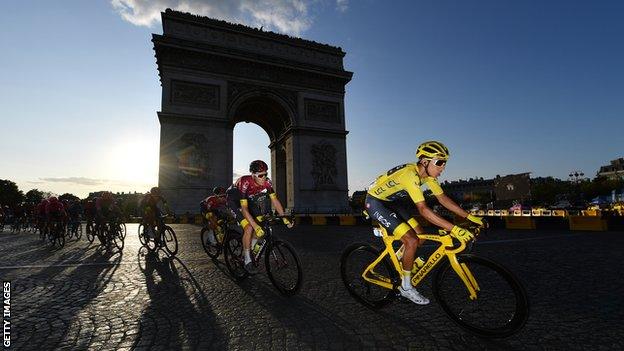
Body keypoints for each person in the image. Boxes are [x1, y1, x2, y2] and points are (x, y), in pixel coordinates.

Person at [365, 141, 486, 305]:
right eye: (440, 162)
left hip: (394, 202)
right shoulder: (409, 175)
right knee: (412, 240)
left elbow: (443, 199)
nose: (443, 167)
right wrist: (455, 229)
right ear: (425, 162)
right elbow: (423, 210)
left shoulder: (428, 177)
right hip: (376, 202)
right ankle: (406, 288)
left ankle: (401, 259)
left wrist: (469, 217)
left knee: (420, 236)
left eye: (445, 163)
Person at [226, 160, 293, 274]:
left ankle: (250, 247)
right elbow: (244, 209)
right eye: (260, 175)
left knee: (261, 223)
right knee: (249, 227)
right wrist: (255, 226)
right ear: (252, 175)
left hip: (248, 200)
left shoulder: (267, 183)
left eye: (266, 174)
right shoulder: (245, 181)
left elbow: (275, 200)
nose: (264, 177)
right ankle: (247, 260)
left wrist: (284, 217)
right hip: (234, 200)